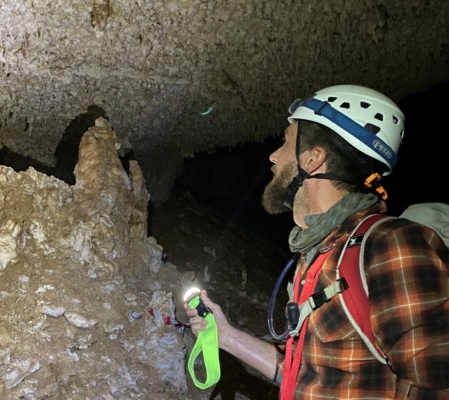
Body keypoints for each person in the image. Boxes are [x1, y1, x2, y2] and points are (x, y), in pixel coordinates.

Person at [185, 85, 449, 399]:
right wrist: (226, 336)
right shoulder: (319, 254)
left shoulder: (388, 246)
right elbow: (299, 373)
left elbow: (438, 385)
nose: (273, 156)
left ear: (313, 159)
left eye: (286, 142)